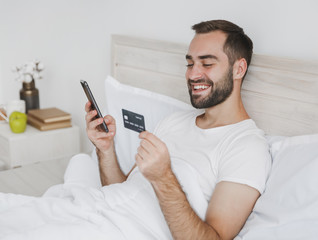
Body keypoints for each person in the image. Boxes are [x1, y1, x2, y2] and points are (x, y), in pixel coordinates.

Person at [85, 19, 271, 239]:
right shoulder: (173, 122)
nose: (193, 75)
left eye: (207, 63)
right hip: (96, 217)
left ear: (238, 68)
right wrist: (105, 150)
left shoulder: (246, 147)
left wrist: (163, 177)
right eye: (190, 63)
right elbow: (123, 193)